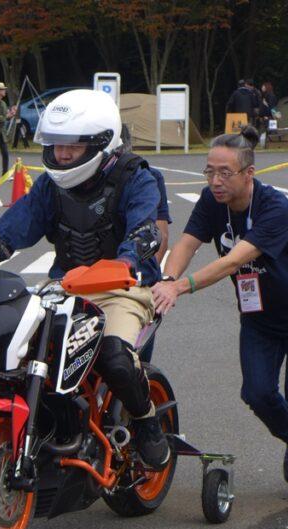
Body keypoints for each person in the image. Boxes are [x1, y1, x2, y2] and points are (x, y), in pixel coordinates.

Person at [0, 89, 170, 468]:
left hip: (122, 288)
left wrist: (124, 261)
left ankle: (146, 420)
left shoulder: (137, 177)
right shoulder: (49, 185)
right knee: (14, 346)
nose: (62, 155)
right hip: (64, 287)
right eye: (56, 145)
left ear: (102, 142)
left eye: (73, 146)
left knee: (116, 358)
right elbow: (10, 231)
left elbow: (147, 231)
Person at [152, 126, 288, 502]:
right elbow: (188, 242)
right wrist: (167, 277)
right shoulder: (211, 202)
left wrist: (180, 287)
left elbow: (234, 260)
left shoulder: (274, 208)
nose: (215, 181)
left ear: (248, 174)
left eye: (224, 173)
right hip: (259, 315)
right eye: (209, 172)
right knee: (257, 392)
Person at [119, 125, 170, 363]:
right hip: (85, 282)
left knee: (133, 363)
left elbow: (160, 233)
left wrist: (147, 275)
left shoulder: (145, 176)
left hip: (135, 281)